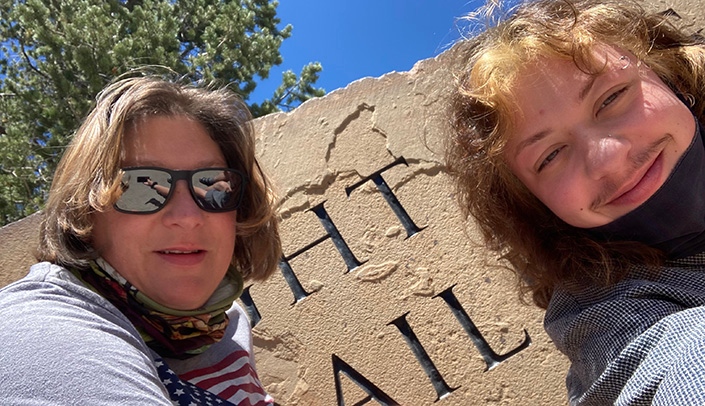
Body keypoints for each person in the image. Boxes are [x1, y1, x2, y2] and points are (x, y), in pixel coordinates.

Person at [446, 0, 705, 404]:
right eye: (549, 156)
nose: (607, 157)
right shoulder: (602, 314)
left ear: (670, 77)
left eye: (612, 97)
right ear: (534, 207)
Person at [0, 75, 282, 405]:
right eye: (141, 186)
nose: (188, 216)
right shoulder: (42, 331)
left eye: (213, 185)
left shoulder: (223, 323)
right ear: (87, 210)